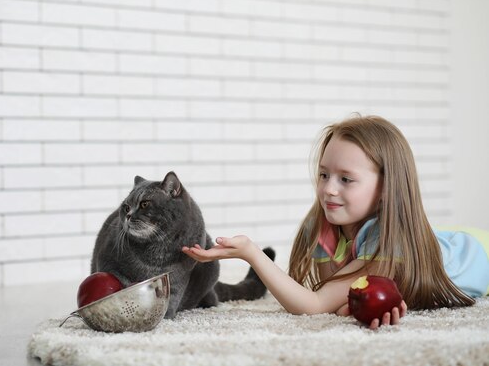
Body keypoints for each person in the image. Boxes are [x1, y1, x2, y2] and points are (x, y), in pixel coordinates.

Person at [183, 115, 489, 329]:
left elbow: (314, 305)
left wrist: (252, 253)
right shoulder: (325, 225)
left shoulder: (387, 240)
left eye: (346, 179)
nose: (329, 188)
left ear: (386, 189)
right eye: (324, 174)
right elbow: (333, 292)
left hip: (476, 251)